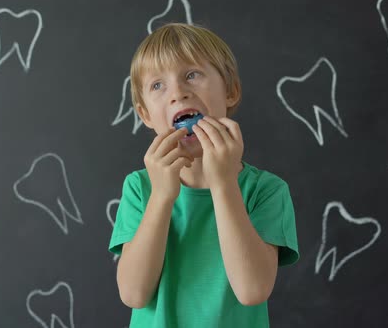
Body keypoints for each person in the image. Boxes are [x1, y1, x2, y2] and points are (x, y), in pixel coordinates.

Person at [109, 22, 299, 328]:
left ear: (231, 91)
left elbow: (253, 291)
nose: (178, 94)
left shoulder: (266, 190)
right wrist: (162, 196)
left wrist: (223, 183)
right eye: (158, 85)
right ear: (145, 115)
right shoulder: (139, 188)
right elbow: (133, 294)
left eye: (192, 75)